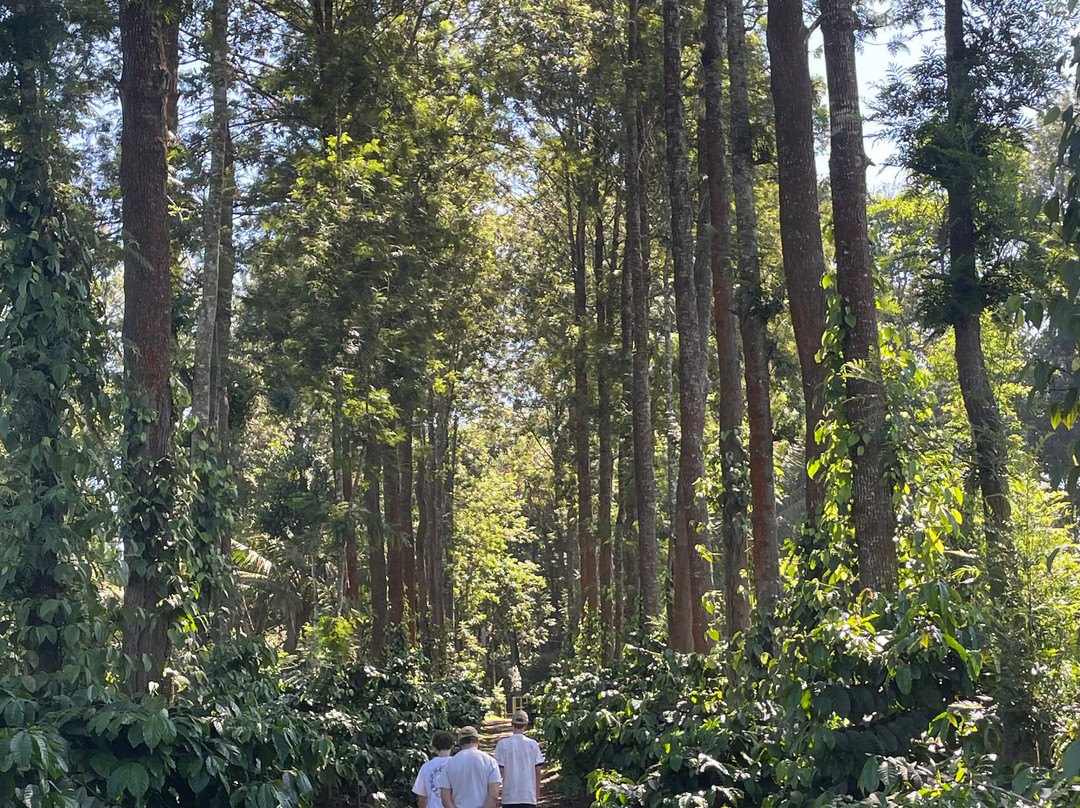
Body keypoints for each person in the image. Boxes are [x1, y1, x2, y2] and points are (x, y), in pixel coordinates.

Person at [438, 725, 501, 808]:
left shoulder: (449, 764)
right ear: (477, 741)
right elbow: (493, 795)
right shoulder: (490, 762)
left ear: (460, 742)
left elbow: (445, 798)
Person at [493, 710, 544, 808]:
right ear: (526, 725)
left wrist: (495, 796)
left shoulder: (503, 744)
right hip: (528, 797)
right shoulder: (532, 744)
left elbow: (498, 772)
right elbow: (538, 770)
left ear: (512, 724)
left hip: (509, 797)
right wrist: (536, 794)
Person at [413, 730, 455, 808]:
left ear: (434, 747)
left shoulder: (426, 767)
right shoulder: (458, 764)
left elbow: (422, 797)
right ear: (452, 746)